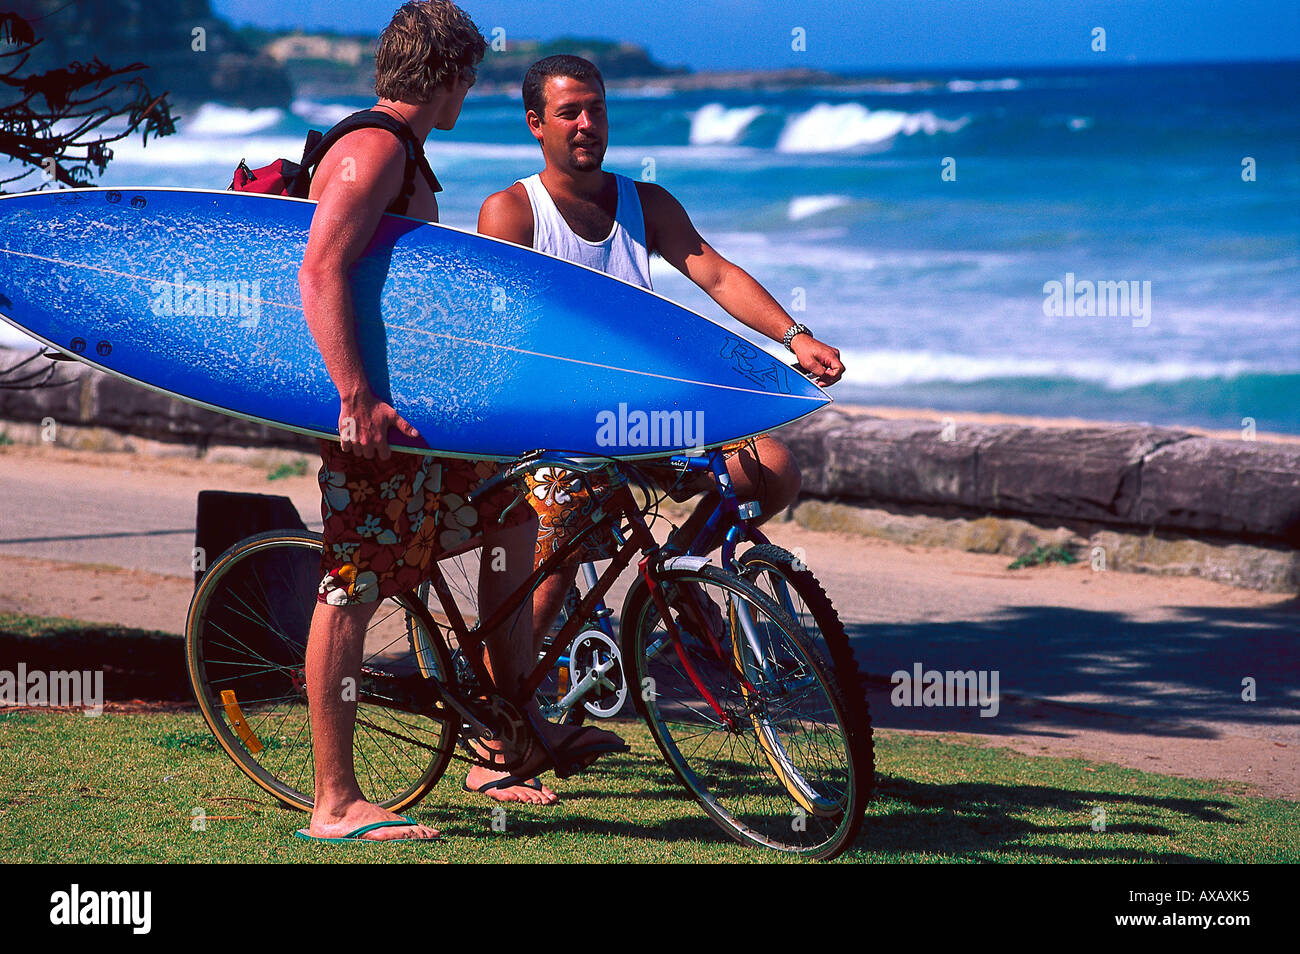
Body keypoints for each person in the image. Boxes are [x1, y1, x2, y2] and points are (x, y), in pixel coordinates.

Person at [473, 54, 846, 804]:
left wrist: (795, 335)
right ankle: (494, 745)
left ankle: (671, 572)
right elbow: (501, 340)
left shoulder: (645, 203)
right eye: (570, 112)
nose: (587, 124)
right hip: (559, 435)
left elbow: (713, 272)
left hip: (648, 422)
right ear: (536, 123)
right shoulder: (513, 212)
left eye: (597, 110)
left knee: (771, 466)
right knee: (538, 595)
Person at [297, 7, 621, 843]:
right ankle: (336, 802)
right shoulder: (372, 150)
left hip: (428, 420)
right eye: (468, 76)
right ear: (444, 73)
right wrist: (355, 396)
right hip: (380, 419)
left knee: (514, 520)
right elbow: (320, 268)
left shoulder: (404, 153)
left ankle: (508, 736)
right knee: (353, 587)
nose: (469, 92)